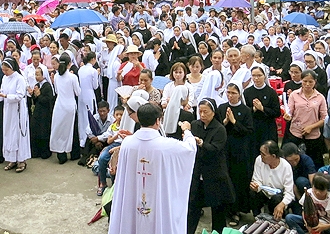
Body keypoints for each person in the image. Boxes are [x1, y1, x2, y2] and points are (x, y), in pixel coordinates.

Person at [107, 103, 197, 234]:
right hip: (157, 197)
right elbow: (190, 149)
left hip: (134, 196)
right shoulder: (167, 145)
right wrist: (187, 130)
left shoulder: (128, 143)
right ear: (157, 121)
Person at [187, 98, 235, 234]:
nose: (202, 115)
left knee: (217, 208)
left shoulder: (220, 129)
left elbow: (215, 149)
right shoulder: (195, 125)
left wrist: (201, 143)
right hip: (198, 173)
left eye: (205, 112)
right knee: (193, 207)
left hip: (215, 174)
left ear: (213, 112)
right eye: (200, 112)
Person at [218, 82, 254, 224]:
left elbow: (249, 131)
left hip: (240, 151)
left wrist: (234, 122)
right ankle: (226, 210)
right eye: (228, 92)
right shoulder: (222, 108)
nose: (230, 95)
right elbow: (217, 128)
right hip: (225, 150)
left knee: (238, 181)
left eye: (233, 93)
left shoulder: (245, 110)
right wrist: (225, 122)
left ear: (239, 94)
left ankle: (237, 211)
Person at [0, 57, 30, 173]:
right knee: (9, 132)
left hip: (18, 109)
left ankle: (21, 160)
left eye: (6, 70)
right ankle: (12, 159)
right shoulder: (5, 78)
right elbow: (3, 91)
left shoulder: (19, 79)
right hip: (8, 109)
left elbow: (20, 96)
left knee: (18, 133)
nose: (4, 72)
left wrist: (5, 96)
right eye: (3, 70)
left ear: (12, 68)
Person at [285, 69, 328, 167]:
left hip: (313, 135)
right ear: (301, 81)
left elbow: (324, 118)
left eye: (310, 82)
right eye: (305, 81)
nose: (307, 84)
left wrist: (311, 127)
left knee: (314, 163)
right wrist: (288, 116)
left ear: (315, 82)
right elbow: (290, 111)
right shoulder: (294, 95)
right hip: (296, 132)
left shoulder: (320, 97)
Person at [250, 140, 295, 219]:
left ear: (273, 156)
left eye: (263, 154)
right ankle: (257, 218)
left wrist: (282, 204)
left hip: (278, 196)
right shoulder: (259, 160)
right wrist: (256, 186)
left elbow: (289, 193)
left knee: (277, 199)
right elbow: (257, 179)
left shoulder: (286, 167)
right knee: (252, 193)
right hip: (264, 192)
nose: (261, 156)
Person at [51, 53, 81, 164]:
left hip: (59, 105)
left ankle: (61, 154)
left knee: (59, 129)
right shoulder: (73, 77)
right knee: (72, 129)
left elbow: (57, 91)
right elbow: (78, 92)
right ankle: (74, 153)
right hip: (70, 106)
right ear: (69, 64)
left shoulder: (57, 76)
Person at [244, 66, 281, 155]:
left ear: (264, 76)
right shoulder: (247, 92)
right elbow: (245, 113)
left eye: (259, 75)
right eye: (254, 75)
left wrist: (262, 109)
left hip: (268, 127)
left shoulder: (271, 92)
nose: (256, 78)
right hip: (253, 128)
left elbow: (277, 112)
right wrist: (253, 109)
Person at [29, 66, 54, 159]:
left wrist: (39, 95)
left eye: (38, 74)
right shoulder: (37, 85)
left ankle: (45, 152)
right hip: (37, 112)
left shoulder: (47, 86)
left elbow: (48, 100)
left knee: (43, 131)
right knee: (35, 130)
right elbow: (36, 100)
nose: (36, 76)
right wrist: (33, 95)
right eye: (35, 74)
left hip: (45, 113)